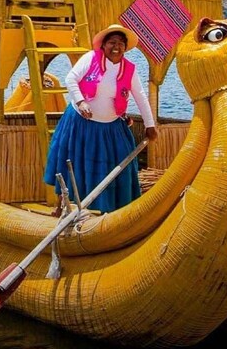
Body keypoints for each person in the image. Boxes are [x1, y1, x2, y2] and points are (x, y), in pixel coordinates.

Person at [44, 24, 158, 213]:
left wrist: (150, 125)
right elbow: (71, 79)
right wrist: (81, 102)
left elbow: (140, 96)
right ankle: (61, 205)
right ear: (103, 45)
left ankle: (110, 210)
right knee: (71, 163)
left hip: (110, 128)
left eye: (121, 43)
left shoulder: (129, 69)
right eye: (112, 42)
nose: (117, 47)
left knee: (114, 168)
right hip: (81, 124)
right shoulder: (90, 58)